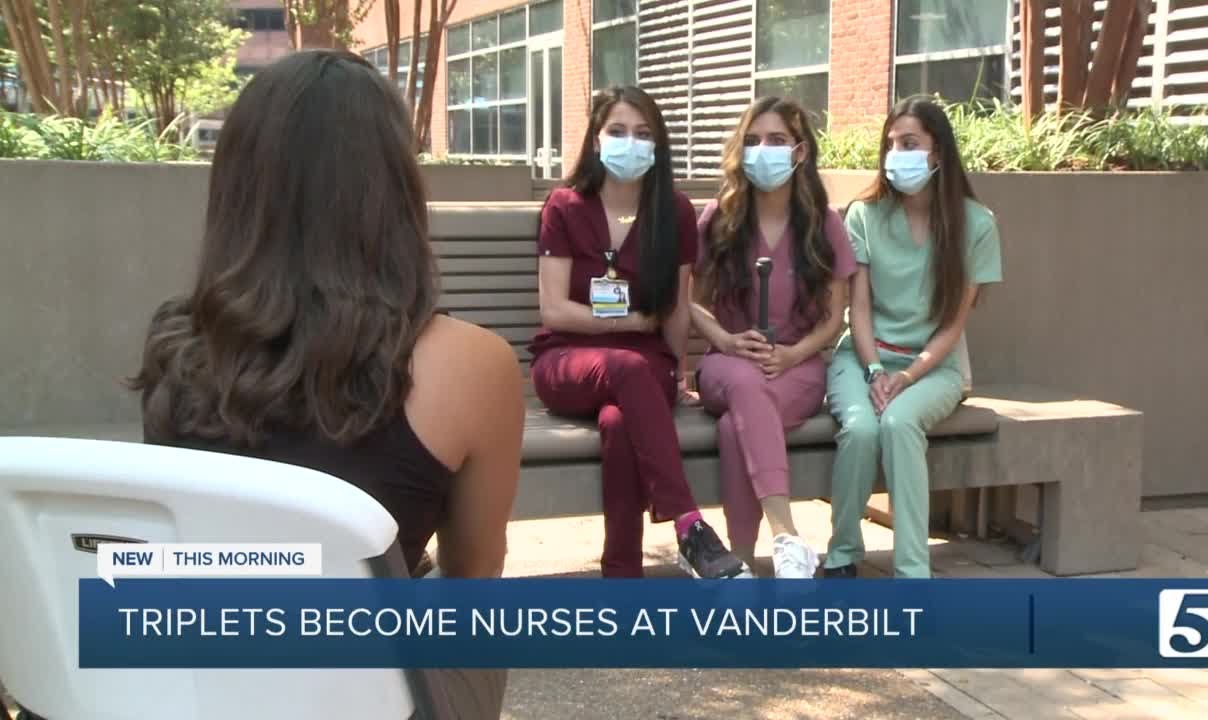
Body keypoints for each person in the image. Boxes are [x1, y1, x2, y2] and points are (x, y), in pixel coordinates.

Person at [128, 51, 521, 719]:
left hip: (204, 688)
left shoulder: (178, 343)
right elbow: (473, 577)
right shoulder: (472, 364)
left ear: (237, 189)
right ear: (396, 189)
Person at [528, 85, 748, 579]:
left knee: (619, 423)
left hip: (645, 371)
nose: (631, 142)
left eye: (643, 133)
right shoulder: (564, 206)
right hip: (567, 361)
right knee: (627, 369)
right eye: (618, 131)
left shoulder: (674, 212)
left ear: (658, 145)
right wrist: (629, 322)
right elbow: (554, 310)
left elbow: (677, 307)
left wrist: (678, 372)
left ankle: (622, 579)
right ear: (596, 139)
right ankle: (689, 525)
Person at [825, 96, 1003, 579]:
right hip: (861, 358)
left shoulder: (977, 224)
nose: (895, 155)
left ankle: (912, 573)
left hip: (934, 366)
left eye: (909, 144)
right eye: (890, 144)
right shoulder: (864, 215)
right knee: (861, 430)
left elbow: (953, 325)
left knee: (900, 424)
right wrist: (875, 371)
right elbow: (858, 309)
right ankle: (842, 555)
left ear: (937, 152)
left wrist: (906, 377)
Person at [690, 97, 855, 578]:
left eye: (777, 140)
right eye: (753, 140)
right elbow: (690, 301)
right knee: (745, 383)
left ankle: (740, 564)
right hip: (725, 364)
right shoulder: (719, 217)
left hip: (798, 368)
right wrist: (725, 340)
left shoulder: (824, 223)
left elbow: (834, 317)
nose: (763, 150)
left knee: (733, 427)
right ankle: (787, 536)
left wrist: (792, 354)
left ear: (800, 151)